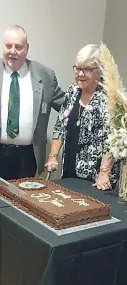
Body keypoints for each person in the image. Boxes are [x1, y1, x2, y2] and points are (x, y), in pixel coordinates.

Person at [0, 25, 64, 189]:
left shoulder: (45, 75)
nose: (13, 51)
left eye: (18, 47)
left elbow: (66, 107)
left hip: (28, 156)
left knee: (23, 206)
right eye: (8, 46)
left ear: (27, 49)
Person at [45, 44, 120, 190]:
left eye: (87, 69)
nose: (80, 74)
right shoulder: (72, 91)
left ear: (99, 70)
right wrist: (53, 156)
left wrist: (104, 172)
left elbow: (112, 140)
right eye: (78, 68)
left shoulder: (109, 98)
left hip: (96, 177)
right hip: (70, 168)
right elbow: (60, 125)